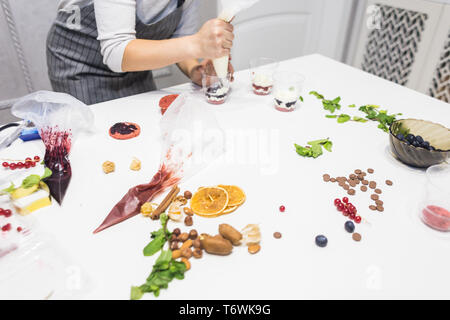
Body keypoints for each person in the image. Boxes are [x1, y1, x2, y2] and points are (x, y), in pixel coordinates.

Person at [47, 0, 234, 105]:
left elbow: (178, 37)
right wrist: (197, 43)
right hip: (81, 64)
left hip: (135, 68)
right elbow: (116, 51)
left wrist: (196, 70)